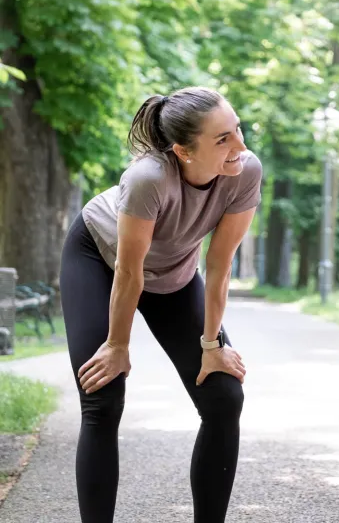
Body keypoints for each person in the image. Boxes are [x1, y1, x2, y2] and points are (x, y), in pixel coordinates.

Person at [59, 87, 262, 523]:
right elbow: (130, 272)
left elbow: (220, 263)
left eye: (238, 129)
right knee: (103, 393)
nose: (240, 147)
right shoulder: (149, 178)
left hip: (174, 273)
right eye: (222, 139)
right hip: (100, 256)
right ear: (183, 151)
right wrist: (117, 344)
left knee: (224, 397)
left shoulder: (244, 171)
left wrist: (212, 345)